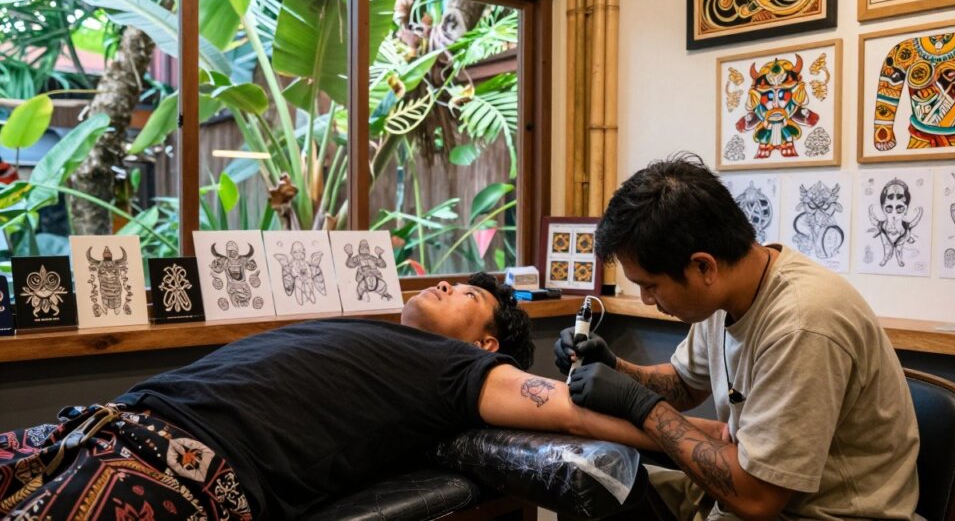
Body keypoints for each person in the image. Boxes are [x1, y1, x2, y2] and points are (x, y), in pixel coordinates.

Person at [0, 273, 654, 521]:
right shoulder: (380, 341)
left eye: (469, 295)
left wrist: (700, 438)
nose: (447, 282)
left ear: (485, 344)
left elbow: (569, 408)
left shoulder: (460, 369)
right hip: (95, 425)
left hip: (172, 465)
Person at [557, 154, 920, 520]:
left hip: (820, 512)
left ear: (703, 266)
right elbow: (686, 385)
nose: (648, 301)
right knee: (590, 484)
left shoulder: (802, 322)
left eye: (651, 286)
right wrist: (616, 369)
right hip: (753, 495)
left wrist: (640, 405)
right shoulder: (727, 294)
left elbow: (757, 499)